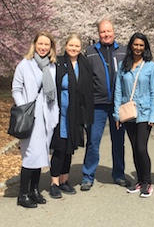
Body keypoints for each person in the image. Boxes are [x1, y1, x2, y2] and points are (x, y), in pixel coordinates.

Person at [12, 31, 59, 208]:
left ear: (51, 47)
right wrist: (24, 107)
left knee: (41, 155)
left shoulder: (51, 66)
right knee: (30, 155)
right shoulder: (25, 64)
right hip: (30, 115)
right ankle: (22, 193)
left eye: (47, 45)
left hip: (47, 115)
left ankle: (34, 190)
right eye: (41, 44)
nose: (43, 47)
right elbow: (16, 88)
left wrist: (54, 115)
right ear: (34, 44)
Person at [81, 20, 129, 190]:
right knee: (93, 141)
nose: (106, 34)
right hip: (97, 104)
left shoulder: (123, 51)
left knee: (118, 141)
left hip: (117, 105)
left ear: (114, 32)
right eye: (102, 32)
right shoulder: (90, 52)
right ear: (98, 34)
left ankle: (119, 174)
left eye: (108, 31)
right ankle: (88, 175)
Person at [113, 32, 154, 198]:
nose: (138, 48)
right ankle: (140, 181)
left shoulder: (150, 66)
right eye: (136, 44)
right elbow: (118, 90)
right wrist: (116, 114)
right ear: (130, 45)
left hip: (145, 113)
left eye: (141, 45)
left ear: (145, 47)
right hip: (128, 112)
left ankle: (147, 182)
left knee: (141, 148)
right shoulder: (123, 65)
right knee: (134, 148)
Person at [49, 34, 94, 199]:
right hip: (61, 111)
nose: (74, 49)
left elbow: (88, 90)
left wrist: (87, 114)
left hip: (76, 113)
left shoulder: (85, 65)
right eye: (71, 45)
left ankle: (64, 180)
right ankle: (54, 182)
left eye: (77, 46)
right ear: (65, 46)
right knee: (60, 147)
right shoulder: (58, 63)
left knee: (69, 148)